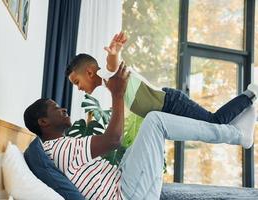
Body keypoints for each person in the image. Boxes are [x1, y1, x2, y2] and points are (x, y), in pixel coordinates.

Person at [24, 65, 257, 199]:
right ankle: (236, 133)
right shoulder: (59, 149)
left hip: (125, 181)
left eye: (77, 82)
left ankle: (243, 114)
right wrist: (117, 94)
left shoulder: (57, 148)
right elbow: (112, 140)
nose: (63, 108)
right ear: (43, 122)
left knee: (153, 129)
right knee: (156, 122)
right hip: (126, 193)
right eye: (56, 108)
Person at [66, 32, 258, 124]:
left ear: (90, 72)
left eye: (77, 82)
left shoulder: (109, 74)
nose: (79, 88)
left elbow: (112, 64)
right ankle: (245, 110)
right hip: (168, 107)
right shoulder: (112, 86)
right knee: (214, 123)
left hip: (171, 104)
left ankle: (251, 94)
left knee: (215, 121)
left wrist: (114, 52)